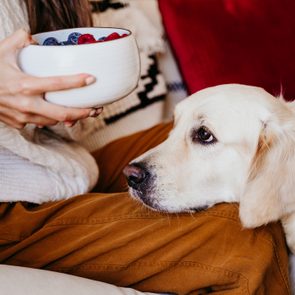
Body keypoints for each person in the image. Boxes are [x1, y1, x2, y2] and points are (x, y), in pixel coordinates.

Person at [0, 0, 291, 294]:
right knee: (241, 243)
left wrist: (67, 95)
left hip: (50, 162)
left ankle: (274, 181)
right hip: (8, 204)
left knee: (173, 132)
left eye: (203, 136)